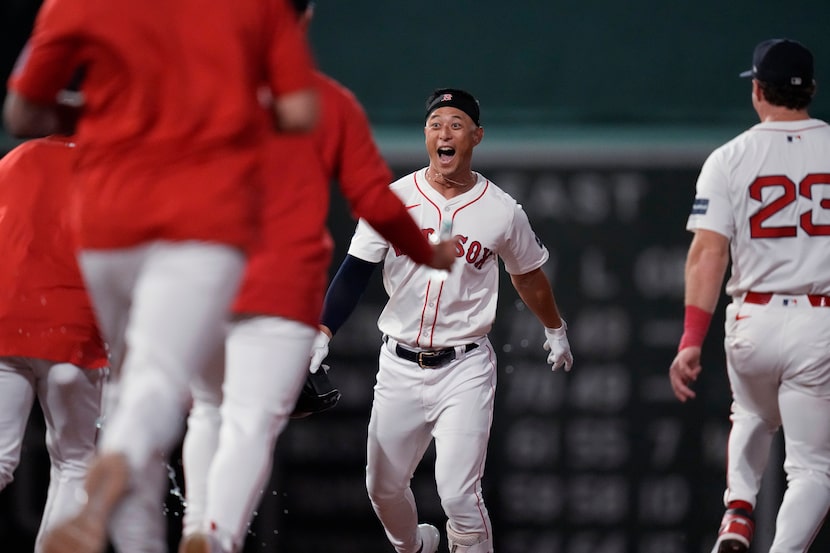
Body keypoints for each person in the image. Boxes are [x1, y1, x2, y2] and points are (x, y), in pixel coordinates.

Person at [2, 0, 319, 552]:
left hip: (51, 280)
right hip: (126, 281)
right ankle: (151, 487)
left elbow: (23, 113)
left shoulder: (70, 15)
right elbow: (291, 115)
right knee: (119, 420)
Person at [176, 3, 458, 552]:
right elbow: (376, 201)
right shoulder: (326, 103)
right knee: (251, 422)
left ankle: (194, 526)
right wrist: (426, 254)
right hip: (276, 291)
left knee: (207, 408)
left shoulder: (197, 89)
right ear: (305, 17)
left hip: (197, 281)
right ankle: (218, 538)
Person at [307, 88, 573, 553]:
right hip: (399, 364)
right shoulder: (394, 198)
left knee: (458, 495)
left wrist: (555, 329)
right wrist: (324, 330)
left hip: (464, 366)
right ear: (425, 135)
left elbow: (528, 277)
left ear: (476, 136)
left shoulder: (502, 209)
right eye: (435, 124)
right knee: (382, 488)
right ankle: (414, 548)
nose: (444, 133)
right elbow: (354, 273)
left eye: (455, 124)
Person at [668, 38, 830, 553]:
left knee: (753, 412)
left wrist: (691, 339)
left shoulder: (730, 157)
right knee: (811, 469)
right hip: (819, 321)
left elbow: (707, 255)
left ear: (758, 90)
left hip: (753, 319)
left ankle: (738, 509)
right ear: (812, 90)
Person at [0, 136, 108, 553]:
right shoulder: (112, 164)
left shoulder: (15, 159)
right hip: (74, 330)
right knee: (76, 461)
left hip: (6, 321)